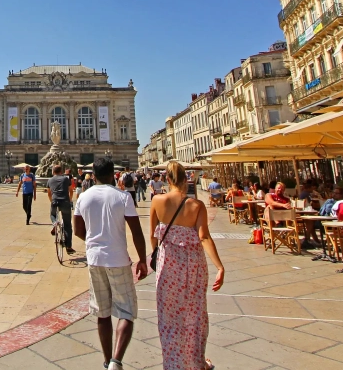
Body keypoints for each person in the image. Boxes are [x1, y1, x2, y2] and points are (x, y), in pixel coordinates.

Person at [73, 158, 147, 370]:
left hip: (94, 260)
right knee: (126, 311)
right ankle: (116, 360)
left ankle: (107, 361)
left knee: (102, 313)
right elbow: (136, 232)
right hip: (118, 259)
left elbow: (77, 230)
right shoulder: (123, 197)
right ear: (113, 174)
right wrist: (142, 260)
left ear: (93, 175)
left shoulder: (83, 197)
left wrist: (94, 242)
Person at [150, 160, 223, 370]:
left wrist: (159, 252)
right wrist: (220, 267)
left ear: (167, 179)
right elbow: (205, 237)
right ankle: (196, 362)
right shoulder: (196, 206)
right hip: (193, 266)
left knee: (169, 316)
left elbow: (153, 237)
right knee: (195, 314)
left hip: (168, 265)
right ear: (186, 180)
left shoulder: (157, 201)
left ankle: (173, 363)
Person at [47, 165, 75, 255]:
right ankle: (69, 246)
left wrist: (52, 201)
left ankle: (55, 223)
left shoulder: (50, 180)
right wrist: (70, 200)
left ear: (53, 171)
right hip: (65, 202)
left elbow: (49, 193)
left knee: (52, 214)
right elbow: (71, 190)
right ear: (61, 171)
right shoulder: (65, 179)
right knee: (67, 225)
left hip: (55, 201)